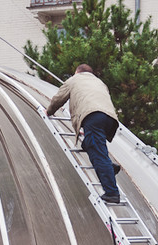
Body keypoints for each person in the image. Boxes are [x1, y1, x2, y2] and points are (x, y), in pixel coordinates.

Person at [45, 64, 121, 204]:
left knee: (97, 153)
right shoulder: (99, 82)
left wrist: (49, 111)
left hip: (93, 115)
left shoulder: (74, 80)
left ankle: (111, 192)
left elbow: (59, 98)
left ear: (77, 72)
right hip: (110, 119)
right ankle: (109, 167)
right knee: (90, 145)